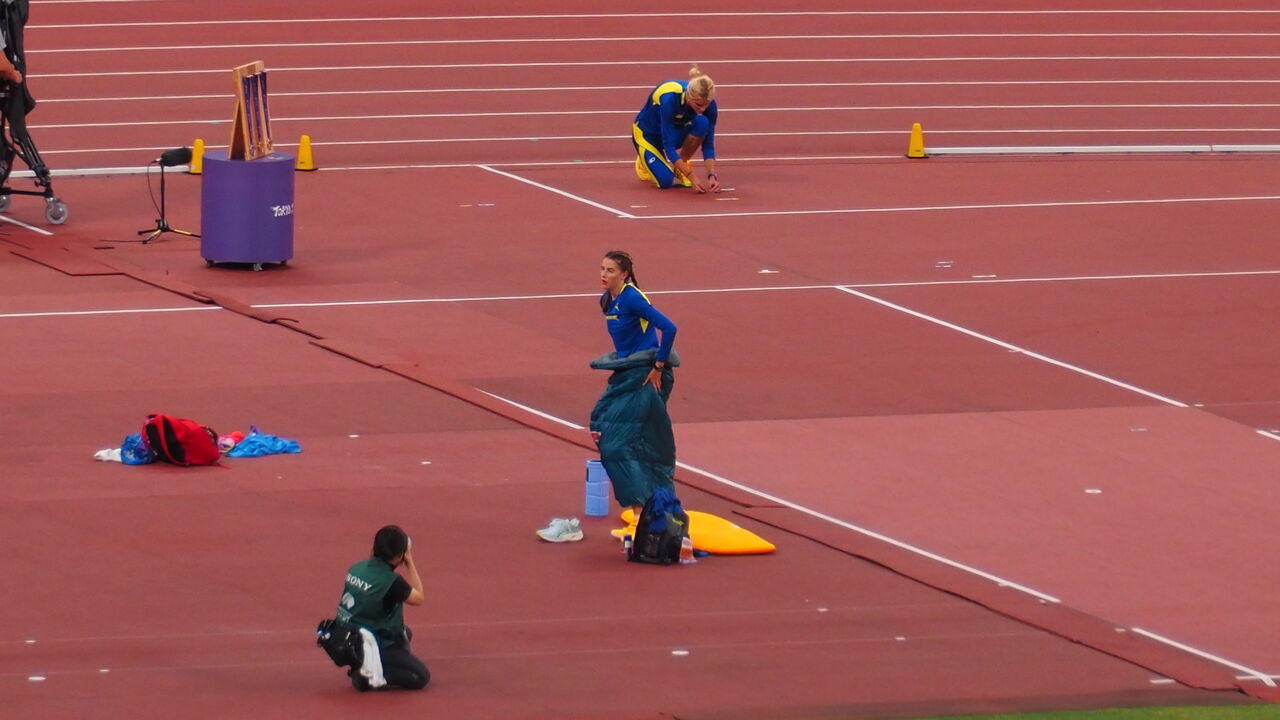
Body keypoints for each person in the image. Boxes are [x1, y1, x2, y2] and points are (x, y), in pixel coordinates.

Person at [588, 251, 679, 520]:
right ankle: (648, 508)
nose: (604, 275)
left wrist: (658, 366)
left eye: (611, 270)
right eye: (602, 269)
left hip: (645, 374)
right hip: (627, 372)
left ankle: (644, 513)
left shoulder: (632, 298)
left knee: (619, 442)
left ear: (624, 274)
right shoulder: (607, 299)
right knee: (616, 432)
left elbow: (669, 328)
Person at [334, 525, 430, 691]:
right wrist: (410, 562)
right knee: (421, 677)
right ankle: (368, 675)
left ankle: (364, 662)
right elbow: (419, 598)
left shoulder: (357, 567)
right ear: (399, 556)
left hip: (344, 635)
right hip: (368, 642)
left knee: (406, 633)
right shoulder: (392, 582)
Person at [631, 65, 721, 193]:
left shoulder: (709, 105)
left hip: (674, 130)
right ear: (689, 96)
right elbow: (669, 147)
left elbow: (708, 144)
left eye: (706, 105)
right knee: (666, 181)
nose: (703, 109)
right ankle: (644, 160)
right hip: (647, 135)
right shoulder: (669, 99)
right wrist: (692, 176)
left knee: (703, 123)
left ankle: (680, 166)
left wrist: (711, 175)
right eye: (698, 105)